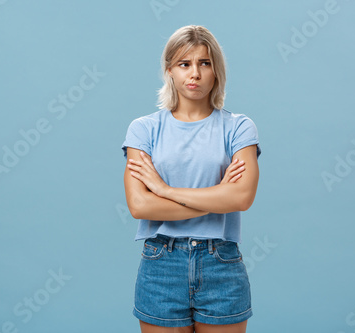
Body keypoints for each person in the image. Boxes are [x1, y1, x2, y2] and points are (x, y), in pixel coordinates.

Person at [121, 25, 261, 333]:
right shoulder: (143, 130)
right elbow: (140, 205)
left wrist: (163, 189)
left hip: (220, 262)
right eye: (185, 64)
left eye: (204, 63)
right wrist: (216, 197)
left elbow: (240, 198)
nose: (194, 73)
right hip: (162, 263)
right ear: (169, 70)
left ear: (216, 71)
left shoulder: (238, 128)